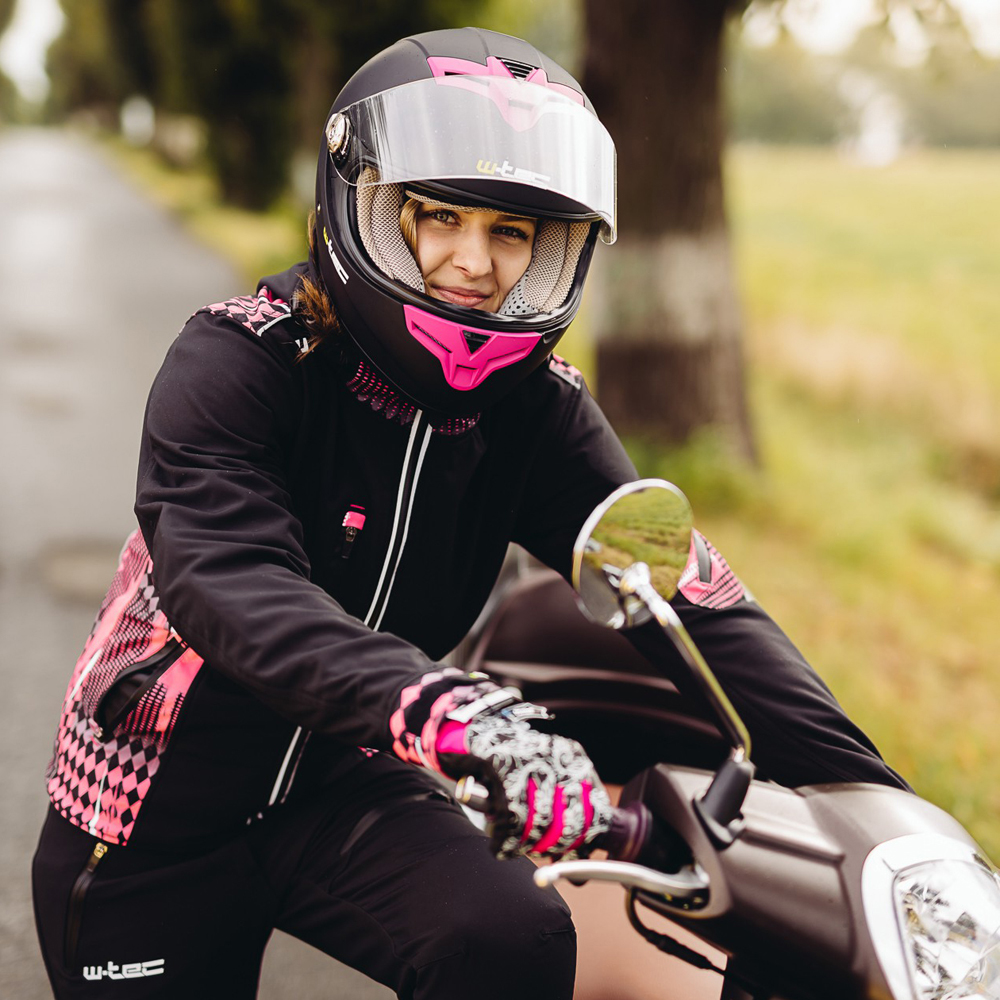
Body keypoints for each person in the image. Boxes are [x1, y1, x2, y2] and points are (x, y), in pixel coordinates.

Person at [31, 26, 908, 1000]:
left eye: (511, 232)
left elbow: (686, 599)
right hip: (153, 805)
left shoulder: (536, 409)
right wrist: (441, 706)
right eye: (439, 215)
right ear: (366, 205)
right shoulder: (242, 360)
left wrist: (890, 822)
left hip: (342, 776)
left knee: (509, 935)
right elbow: (230, 584)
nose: (473, 262)